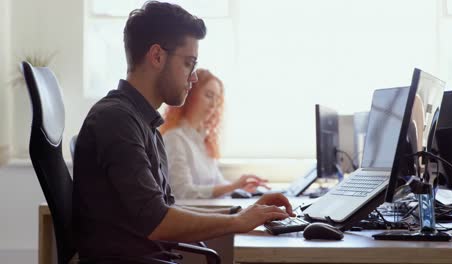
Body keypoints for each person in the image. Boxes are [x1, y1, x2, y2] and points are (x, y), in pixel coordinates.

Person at [72, 1, 294, 262]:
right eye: (189, 63)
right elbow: (159, 222)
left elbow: (165, 211)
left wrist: (242, 212)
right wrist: (238, 221)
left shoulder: (144, 123)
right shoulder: (117, 120)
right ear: (157, 56)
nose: (194, 78)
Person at [160, 68, 269, 199]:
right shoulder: (174, 138)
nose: (214, 104)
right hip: (193, 215)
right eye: (209, 95)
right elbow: (182, 192)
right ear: (189, 95)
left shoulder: (203, 139)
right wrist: (233, 187)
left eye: (217, 99)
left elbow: (218, 183)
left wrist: (241, 188)